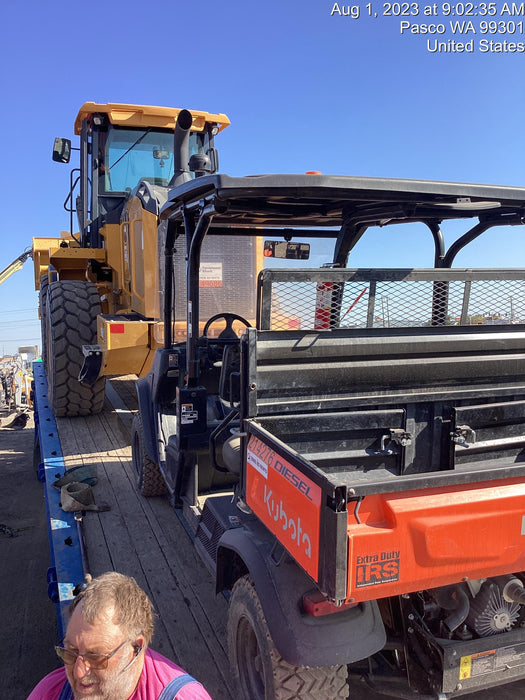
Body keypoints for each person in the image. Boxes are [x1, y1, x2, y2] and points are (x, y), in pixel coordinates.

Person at [27, 572, 213, 700]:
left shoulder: (183, 696)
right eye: (70, 652)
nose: (78, 672)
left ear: (136, 648)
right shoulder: (50, 692)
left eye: (96, 657)